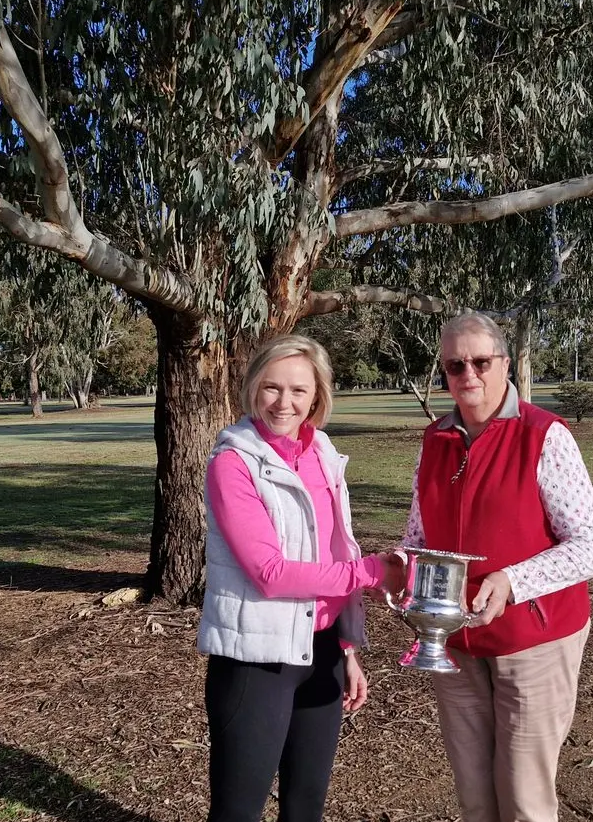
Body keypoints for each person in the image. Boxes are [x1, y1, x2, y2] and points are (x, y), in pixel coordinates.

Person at [403, 312, 593, 822]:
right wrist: (397, 568)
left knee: (524, 798)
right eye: (454, 365)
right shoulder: (435, 441)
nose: (467, 374)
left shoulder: (544, 436)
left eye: (480, 361)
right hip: (456, 645)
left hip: (533, 640)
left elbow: (591, 546)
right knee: (475, 797)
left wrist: (513, 581)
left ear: (506, 363)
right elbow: (417, 537)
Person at [198, 333, 403, 822]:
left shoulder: (322, 453)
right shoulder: (233, 463)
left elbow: (332, 549)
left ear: (317, 397)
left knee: (306, 804)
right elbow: (270, 574)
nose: (283, 403)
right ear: (252, 389)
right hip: (257, 660)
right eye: (271, 388)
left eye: (298, 391)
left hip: (323, 650)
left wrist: (347, 649)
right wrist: (376, 572)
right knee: (237, 811)